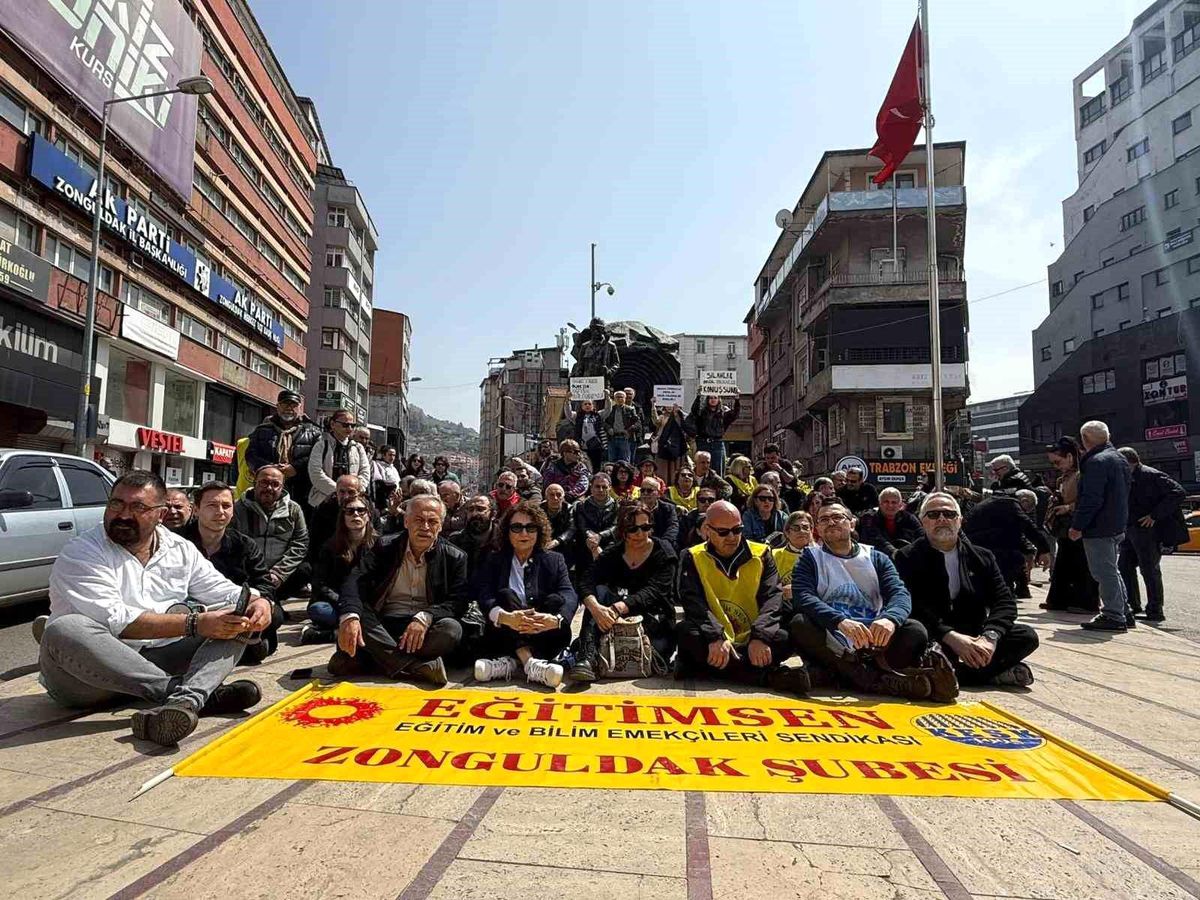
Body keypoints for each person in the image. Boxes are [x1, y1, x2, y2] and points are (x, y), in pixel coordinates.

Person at [39, 472, 269, 745]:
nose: (123, 515)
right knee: (63, 629)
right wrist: (195, 623)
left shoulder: (179, 548)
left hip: (159, 659)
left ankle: (182, 702)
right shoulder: (82, 551)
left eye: (138, 507)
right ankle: (192, 696)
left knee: (237, 616)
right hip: (88, 679)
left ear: (161, 514)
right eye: (116, 504)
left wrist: (258, 602)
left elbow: (222, 590)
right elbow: (118, 622)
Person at [790, 501, 952, 700]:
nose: (831, 522)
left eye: (837, 517)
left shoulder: (877, 557)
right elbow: (803, 596)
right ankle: (873, 680)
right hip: (833, 634)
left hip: (874, 639)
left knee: (915, 630)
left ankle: (842, 674)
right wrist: (839, 621)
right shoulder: (809, 558)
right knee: (800, 623)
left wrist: (889, 619)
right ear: (818, 529)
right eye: (824, 519)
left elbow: (899, 593)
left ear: (852, 523)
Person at [895, 492, 1039, 687]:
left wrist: (990, 637)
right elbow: (912, 605)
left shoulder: (982, 557)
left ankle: (951, 675)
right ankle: (985, 673)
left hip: (974, 634)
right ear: (922, 522)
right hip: (934, 634)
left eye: (949, 514)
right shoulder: (907, 557)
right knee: (912, 635)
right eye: (933, 515)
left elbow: (1004, 601)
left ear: (960, 520)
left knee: (1026, 636)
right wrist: (951, 637)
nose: (942, 519)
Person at [675, 500, 809, 693]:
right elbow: (692, 602)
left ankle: (707, 669)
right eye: (723, 532)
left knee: (785, 637)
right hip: (715, 633)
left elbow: (772, 598)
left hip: (752, 634)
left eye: (737, 530)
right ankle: (766, 677)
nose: (732, 537)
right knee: (686, 632)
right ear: (707, 530)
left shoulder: (762, 553)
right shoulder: (692, 556)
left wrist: (760, 637)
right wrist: (715, 636)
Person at [332, 495, 467, 685]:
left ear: (441, 525)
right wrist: (350, 617)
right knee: (358, 614)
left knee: (451, 630)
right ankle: (415, 667)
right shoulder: (384, 546)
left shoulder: (455, 557)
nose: (425, 527)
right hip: (383, 624)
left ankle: (377, 658)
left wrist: (426, 616)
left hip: (424, 630)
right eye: (418, 520)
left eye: (432, 521)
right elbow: (354, 580)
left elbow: (457, 602)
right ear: (406, 521)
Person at [568, 503, 677, 682]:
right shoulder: (614, 552)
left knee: (655, 652)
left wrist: (618, 608)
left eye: (645, 527)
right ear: (623, 530)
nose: (640, 534)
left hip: (653, 617)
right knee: (599, 592)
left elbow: (655, 591)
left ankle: (588, 647)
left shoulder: (664, 553)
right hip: (614, 618)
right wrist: (595, 607)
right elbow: (586, 580)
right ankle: (587, 656)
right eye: (633, 529)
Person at [475, 501, 577, 687]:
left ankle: (512, 663)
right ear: (507, 531)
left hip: (545, 633)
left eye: (530, 528)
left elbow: (569, 593)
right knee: (506, 595)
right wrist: (505, 617)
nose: (524, 533)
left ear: (539, 531)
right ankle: (531, 664)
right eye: (517, 527)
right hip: (503, 631)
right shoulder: (494, 559)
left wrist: (555, 620)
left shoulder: (554, 560)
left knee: (555, 599)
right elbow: (484, 594)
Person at [181, 482, 281, 662]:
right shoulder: (177, 542)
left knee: (273, 613)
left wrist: (262, 603)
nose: (220, 512)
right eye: (212, 505)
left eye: (226, 506)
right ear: (196, 509)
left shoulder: (245, 545)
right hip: (188, 612)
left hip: (233, 608)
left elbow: (264, 584)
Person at [1071, 421, 1133, 632]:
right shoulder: (1119, 458)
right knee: (1111, 569)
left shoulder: (1096, 461)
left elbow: (1091, 498)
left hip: (1099, 526)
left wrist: (1078, 525)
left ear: (1085, 439)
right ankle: (1123, 611)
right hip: (1116, 523)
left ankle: (1114, 615)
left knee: (1103, 572)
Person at [1117, 446, 1187, 623]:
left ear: (1129, 462)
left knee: (1149, 569)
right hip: (1130, 528)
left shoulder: (1151, 475)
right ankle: (1132, 605)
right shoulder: (1126, 477)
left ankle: (1155, 610)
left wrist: (1154, 515)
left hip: (1146, 530)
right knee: (1124, 566)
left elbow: (1178, 492)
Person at [302, 494, 379, 645]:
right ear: (343, 517)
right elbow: (320, 584)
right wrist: (344, 601)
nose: (356, 514)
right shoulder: (330, 547)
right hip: (338, 601)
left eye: (361, 510)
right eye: (350, 511)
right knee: (319, 610)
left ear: (368, 515)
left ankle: (333, 634)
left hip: (369, 602)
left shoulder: (380, 545)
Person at [231, 465, 310, 605]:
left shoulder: (294, 509)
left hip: (281, 575)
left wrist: (279, 573)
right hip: (248, 573)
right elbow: (232, 543)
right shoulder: (237, 508)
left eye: (275, 484)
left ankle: (274, 601)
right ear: (254, 483)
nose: (269, 488)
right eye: (264, 482)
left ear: (282, 487)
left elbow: (300, 542)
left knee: (306, 569)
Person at [1042, 437, 1098, 613]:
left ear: (1069, 457)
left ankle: (1085, 602)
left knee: (1081, 564)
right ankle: (1060, 599)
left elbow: (1089, 500)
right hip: (1065, 525)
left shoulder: (1083, 475)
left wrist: (1068, 507)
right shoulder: (1064, 477)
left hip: (1080, 524)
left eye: (1057, 462)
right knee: (1064, 563)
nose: (1056, 466)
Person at [246, 389, 323, 517]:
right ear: (277, 406)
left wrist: (295, 468)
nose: (289, 408)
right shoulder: (262, 430)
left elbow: (317, 458)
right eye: (285, 404)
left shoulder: (314, 432)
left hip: (302, 493)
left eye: (293, 405)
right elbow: (250, 455)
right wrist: (271, 470)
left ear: (300, 407)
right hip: (268, 491)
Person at [962, 490, 1051, 600]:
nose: (1025, 512)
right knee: (1013, 561)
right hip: (989, 547)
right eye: (1026, 510)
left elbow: (1016, 534)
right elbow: (1028, 527)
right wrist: (1044, 549)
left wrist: (1030, 550)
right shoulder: (1011, 505)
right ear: (1024, 501)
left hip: (975, 544)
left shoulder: (994, 503)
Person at [307, 475, 379, 565]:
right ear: (336, 492)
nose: (346, 496)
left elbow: (377, 542)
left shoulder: (372, 513)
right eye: (342, 492)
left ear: (359, 493)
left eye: (351, 492)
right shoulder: (322, 511)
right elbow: (314, 543)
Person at [308, 410, 372, 509]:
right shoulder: (321, 445)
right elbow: (315, 473)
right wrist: (339, 491)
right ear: (333, 424)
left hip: (352, 503)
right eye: (345, 425)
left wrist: (353, 492)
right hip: (324, 501)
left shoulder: (358, 448)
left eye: (352, 425)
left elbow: (365, 472)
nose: (349, 429)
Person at [572, 472, 619, 573]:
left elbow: (615, 526)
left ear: (609, 488)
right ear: (591, 487)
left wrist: (600, 536)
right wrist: (593, 540)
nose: (600, 490)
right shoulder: (581, 505)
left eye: (604, 487)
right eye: (597, 486)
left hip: (608, 543)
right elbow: (582, 526)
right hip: (587, 544)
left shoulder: (616, 506)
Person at [856, 488, 923, 559]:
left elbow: (921, 535)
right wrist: (895, 553)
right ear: (880, 503)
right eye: (886, 502)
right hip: (876, 558)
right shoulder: (869, 517)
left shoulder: (908, 518)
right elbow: (877, 540)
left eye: (894, 502)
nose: (890, 505)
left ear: (900, 505)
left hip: (904, 555)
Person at [447, 494, 497, 586]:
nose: (474, 514)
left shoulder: (503, 541)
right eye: (470, 510)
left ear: (493, 514)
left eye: (480, 509)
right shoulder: (455, 542)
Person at [691, 393, 740, 476]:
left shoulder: (724, 413)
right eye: (710, 398)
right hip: (703, 443)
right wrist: (698, 396)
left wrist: (737, 399)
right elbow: (694, 411)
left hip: (717, 443)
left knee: (718, 470)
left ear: (719, 399)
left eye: (715, 397)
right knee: (701, 469)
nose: (713, 399)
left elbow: (735, 415)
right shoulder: (702, 412)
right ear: (707, 400)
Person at [771, 511, 815, 595]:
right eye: (796, 528)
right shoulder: (774, 555)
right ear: (787, 532)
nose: (801, 531)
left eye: (805, 527)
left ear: (811, 531)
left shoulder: (820, 555)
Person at [755, 444, 806, 512]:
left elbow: (793, 482)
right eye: (767, 458)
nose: (770, 461)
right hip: (766, 493)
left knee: (797, 494)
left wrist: (780, 470)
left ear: (778, 455)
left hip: (783, 492)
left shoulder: (785, 464)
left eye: (773, 458)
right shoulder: (760, 468)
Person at [652, 403, 689, 486]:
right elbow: (655, 421)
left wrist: (677, 413)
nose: (669, 407)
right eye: (667, 405)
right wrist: (653, 405)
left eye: (671, 405)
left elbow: (684, 427)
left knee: (676, 468)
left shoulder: (681, 416)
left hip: (678, 447)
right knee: (663, 469)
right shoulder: (662, 417)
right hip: (664, 447)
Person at [638, 476, 679, 545]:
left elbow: (673, 528)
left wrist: (662, 544)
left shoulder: (668, 508)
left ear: (659, 494)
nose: (645, 493)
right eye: (642, 490)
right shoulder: (633, 507)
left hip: (663, 544)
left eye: (649, 491)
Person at [602, 389, 641, 463]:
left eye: (621, 397)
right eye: (617, 397)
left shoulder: (630, 409)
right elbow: (603, 422)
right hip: (612, 438)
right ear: (614, 399)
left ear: (625, 399)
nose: (619, 399)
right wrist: (608, 428)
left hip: (625, 438)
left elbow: (638, 423)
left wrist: (629, 430)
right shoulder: (610, 410)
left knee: (625, 462)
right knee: (612, 461)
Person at [677, 487, 718, 553]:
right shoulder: (686, 519)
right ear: (697, 502)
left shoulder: (722, 518)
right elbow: (681, 542)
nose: (707, 503)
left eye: (711, 500)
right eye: (702, 500)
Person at [574, 399, 608, 472]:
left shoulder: (598, 415)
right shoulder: (577, 416)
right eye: (585, 404)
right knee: (584, 465)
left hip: (596, 445)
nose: (587, 406)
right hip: (583, 445)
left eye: (589, 404)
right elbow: (568, 413)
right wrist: (567, 400)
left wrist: (607, 398)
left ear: (593, 406)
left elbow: (607, 410)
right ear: (582, 406)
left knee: (596, 466)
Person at [542, 483, 574, 553]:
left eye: (559, 495)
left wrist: (557, 541)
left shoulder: (569, 509)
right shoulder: (539, 509)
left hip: (563, 544)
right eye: (551, 495)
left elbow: (571, 529)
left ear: (563, 497)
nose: (555, 498)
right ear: (546, 497)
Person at [371, 446, 401, 512]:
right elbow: (378, 482)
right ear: (384, 455)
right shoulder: (377, 465)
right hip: (384, 499)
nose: (392, 457)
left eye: (394, 455)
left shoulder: (394, 468)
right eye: (390, 455)